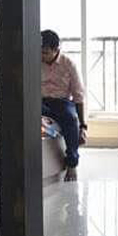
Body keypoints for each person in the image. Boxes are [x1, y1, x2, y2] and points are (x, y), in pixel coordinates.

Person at [40, 29, 87, 181]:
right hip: (40, 101)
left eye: (45, 52)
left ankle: (72, 163)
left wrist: (83, 126)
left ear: (56, 49)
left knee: (70, 119)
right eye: (40, 52)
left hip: (62, 102)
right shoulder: (34, 61)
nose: (42, 56)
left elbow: (79, 96)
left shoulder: (68, 64)